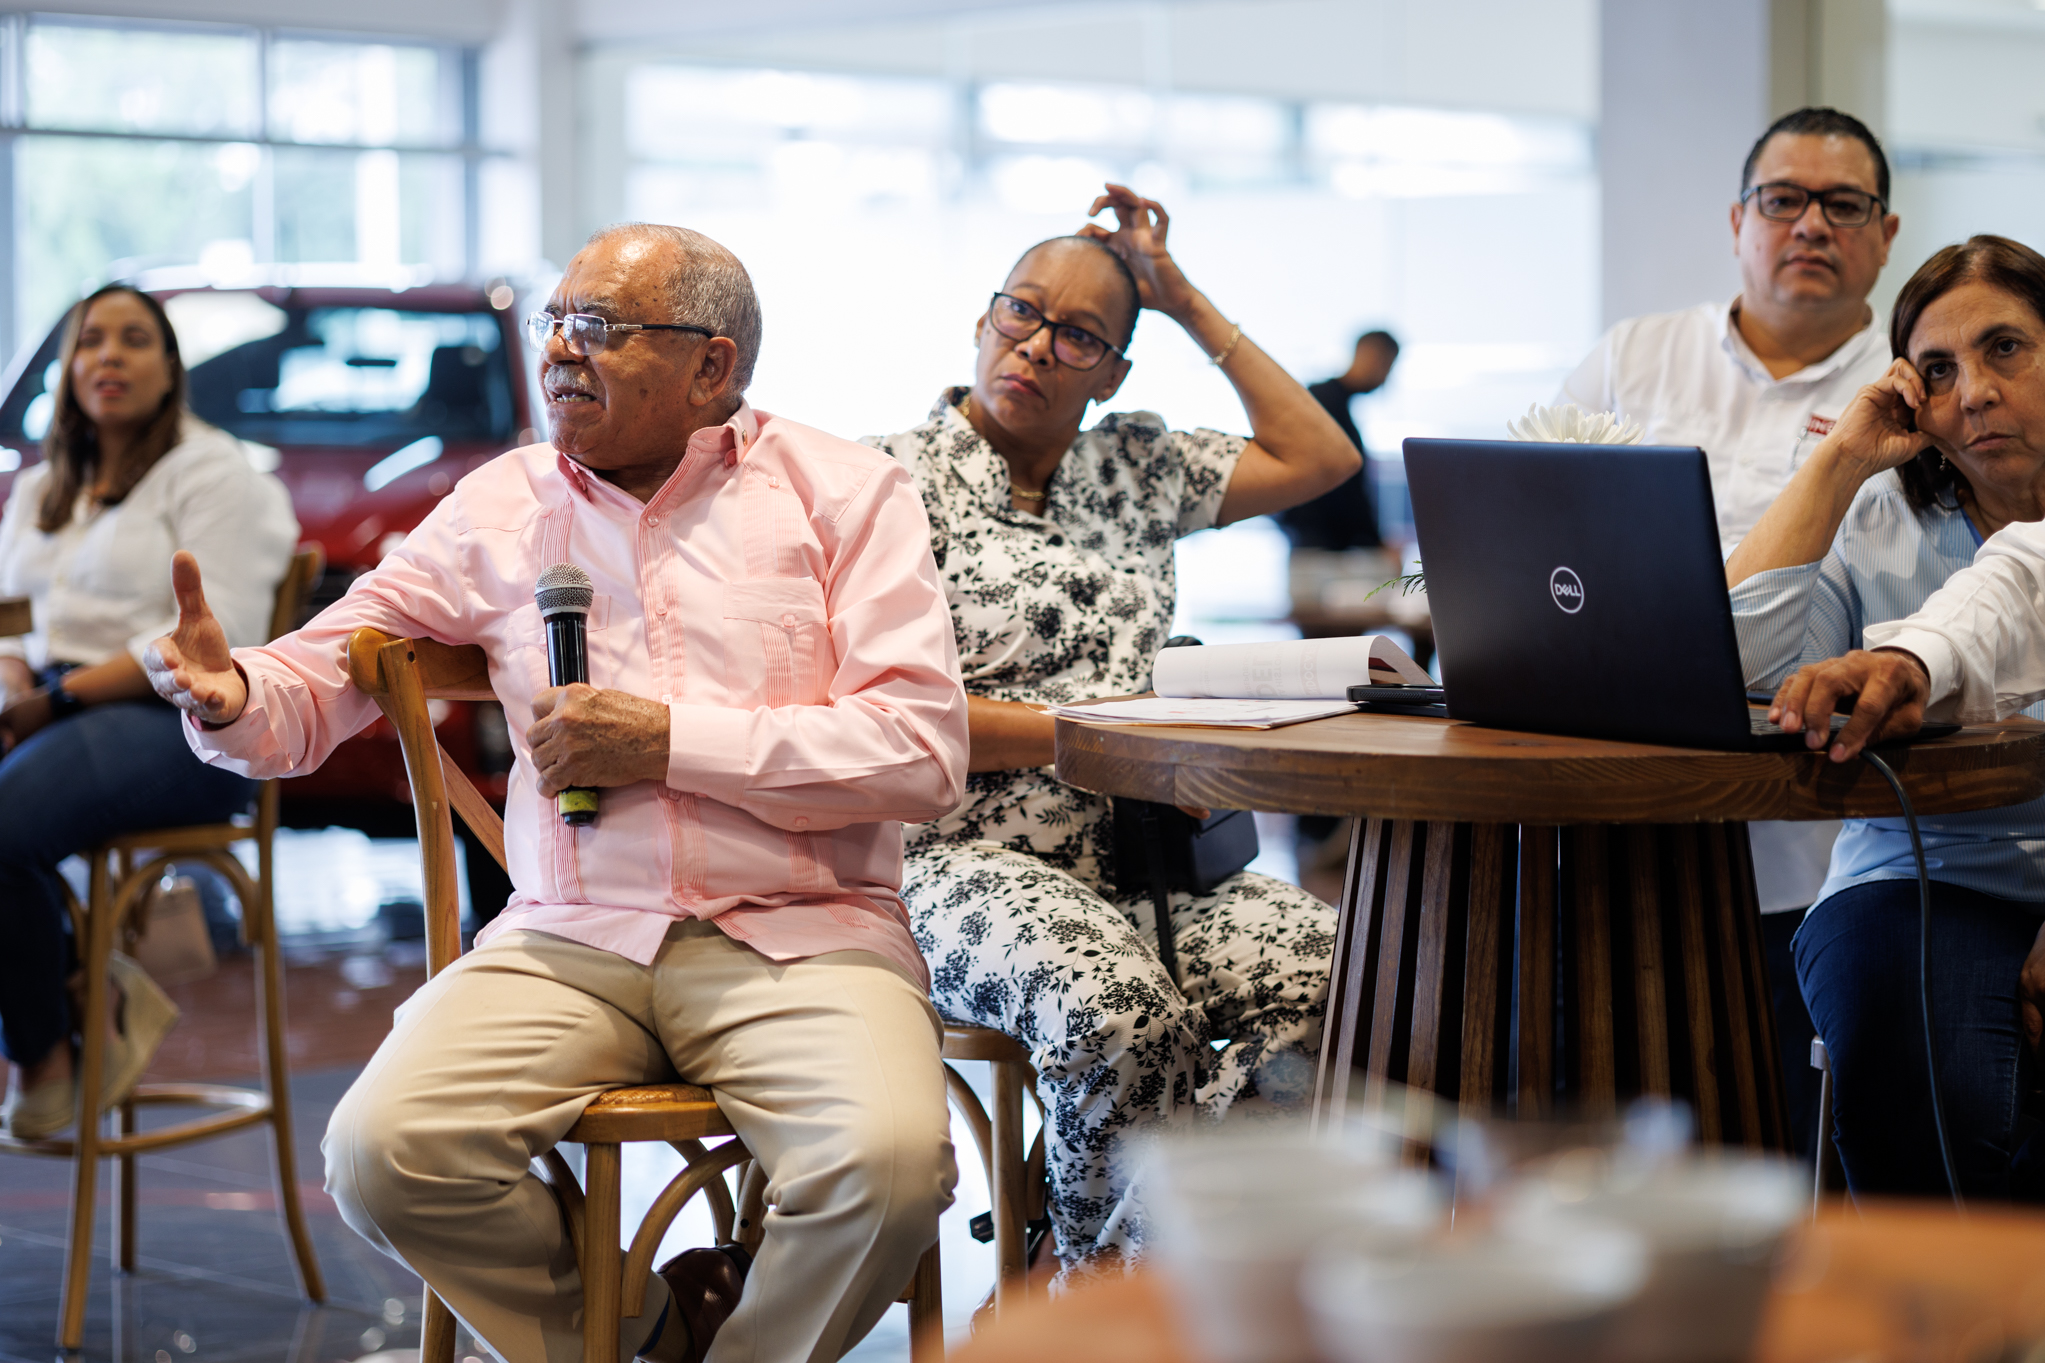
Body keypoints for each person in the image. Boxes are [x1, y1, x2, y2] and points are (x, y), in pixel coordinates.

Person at [145, 224, 968, 1363]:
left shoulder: (846, 494)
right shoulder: (502, 506)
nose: (561, 354)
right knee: (384, 1153)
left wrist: (667, 744)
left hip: (804, 935)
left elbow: (919, 753)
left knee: (886, 1172)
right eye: (557, 324)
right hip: (570, 936)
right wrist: (232, 691)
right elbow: (322, 679)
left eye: (601, 329)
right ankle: (647, 1335)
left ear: (712, 367)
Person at [865, 185, 1360, 1281]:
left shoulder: (1135, 465)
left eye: (1078, 334)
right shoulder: (883, 482)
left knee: (1360, 984)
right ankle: (1107, 1312)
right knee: (1119, 1011)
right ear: (981, 318)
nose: (1037, 345)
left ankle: (1102, 1259)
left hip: (1157, 864)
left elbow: (1322, 457)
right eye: (1020, 313)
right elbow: (888, 714)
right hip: (955, 862)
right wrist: (1095, 733)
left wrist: (1179, 296)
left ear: (1113, 373)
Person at [1559, 106, 1901, 1157]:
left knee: (1779, 1138)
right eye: (1782, 200)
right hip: (1614, 814)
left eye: (1841, 206)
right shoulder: (1636, 358)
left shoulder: (1909, 386)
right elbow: (1542, 536)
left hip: (1812, 826)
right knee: (1603, 1121)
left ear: (1883, 237)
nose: (1809, 225)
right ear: (1736, 219)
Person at [1733, 236, 2045, 1199]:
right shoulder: (1881, 519)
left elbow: (2015, 577)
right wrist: (1838, 461)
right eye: (1939, 369)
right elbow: (1733, 671)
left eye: (2006, 350)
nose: (1975, 392)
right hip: (1912, 877)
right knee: (1908, 1033)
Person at [0, 284, 297, 1140]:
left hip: (183, 722)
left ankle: (45, 1055)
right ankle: (87, 988)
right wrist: (15, 683)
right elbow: (15, 618)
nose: (109, 356)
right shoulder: (42, 488)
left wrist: (50, 701)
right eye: (91, 340)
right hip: (53, 708)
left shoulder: (216, 475)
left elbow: (207, 636)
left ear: (171, 369)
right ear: (68, 366)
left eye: (135, 340)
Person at [1277, 329, 1398, 554]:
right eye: (1387, 367)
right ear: (1372, 356)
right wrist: (1375, 542)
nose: (1385, 379)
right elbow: (1345, 487)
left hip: (1320, 543)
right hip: (1317, 545)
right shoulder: (1324, 402)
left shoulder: (1333, 402)